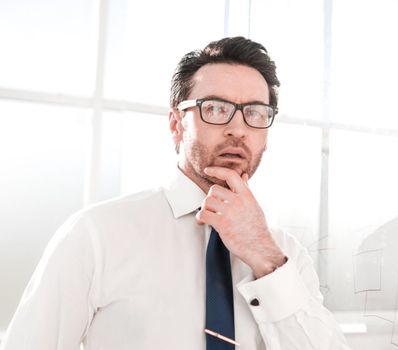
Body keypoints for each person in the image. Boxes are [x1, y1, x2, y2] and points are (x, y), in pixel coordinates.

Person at [1, 37, 350, 349]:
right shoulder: (96, 235)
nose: (238, 129)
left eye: (256, 113)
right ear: (175, 124)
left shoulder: (285, 256)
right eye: (215, 108)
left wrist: (264, 257)